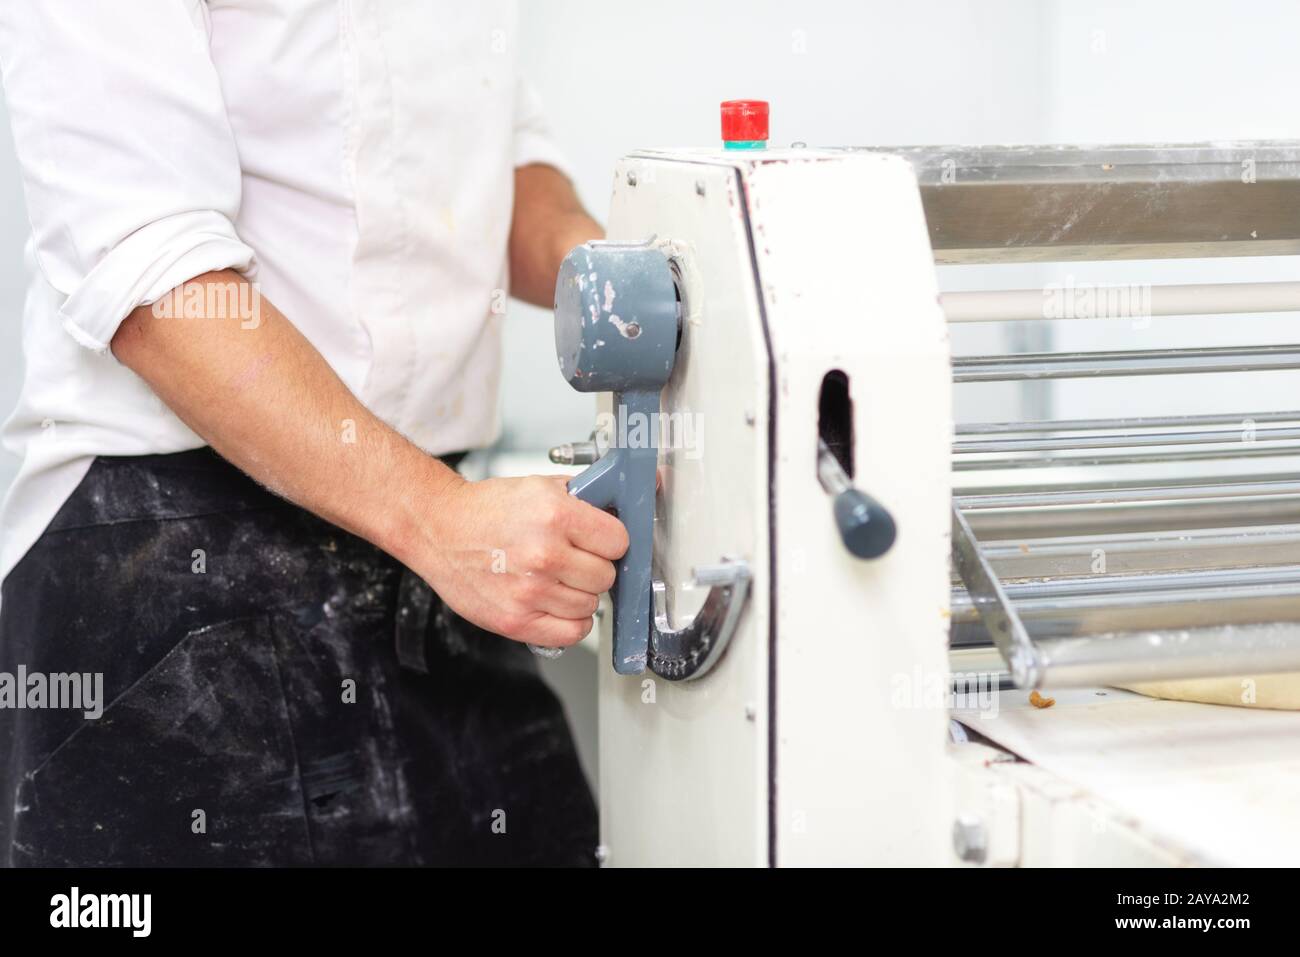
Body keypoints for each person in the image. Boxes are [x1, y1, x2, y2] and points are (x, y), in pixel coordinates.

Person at [0, 0, 625, 866]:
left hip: (434, 558)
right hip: (169, 561)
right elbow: (153, 279)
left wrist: (611, 281)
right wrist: (438, 519)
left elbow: (497, 164)